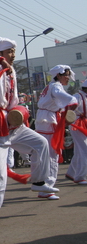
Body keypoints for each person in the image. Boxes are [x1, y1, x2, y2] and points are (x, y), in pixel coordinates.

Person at [0, 37, 57, 224]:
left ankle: (38, 182)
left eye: (13, 51)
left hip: (11, 123)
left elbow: (14, 100)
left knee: (41, 143)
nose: (12, 55)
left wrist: (19, 113)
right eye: (9, 51)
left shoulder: (11, 72)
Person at [35, 65, 77, 200]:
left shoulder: (50, 85)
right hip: (49, 120)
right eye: (66, 75)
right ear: (58, 75)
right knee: (52, 153)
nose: (68, 77)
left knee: (47, 154)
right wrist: (73, 101)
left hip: (45, 119)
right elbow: (64, 97)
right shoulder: (56, 86)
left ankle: (44, 186)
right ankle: (47, 187)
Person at [66, 81, 87, 183]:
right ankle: (80, 177)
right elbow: (69, 107)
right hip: (77, 124)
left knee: (79, 150)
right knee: (84, 149)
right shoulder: (77, 96)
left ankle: (71, 173)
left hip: (84, 124)